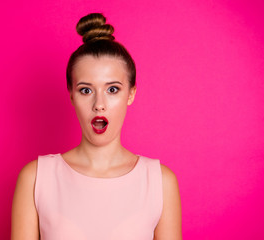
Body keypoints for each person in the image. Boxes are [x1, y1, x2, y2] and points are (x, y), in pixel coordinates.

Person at [11, 13, 182, 240]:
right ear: (71, 95)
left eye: (112, 90)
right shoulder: (36, 177)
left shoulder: (160, 182)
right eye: (86, 90)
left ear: (131, 94)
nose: (99, 105)